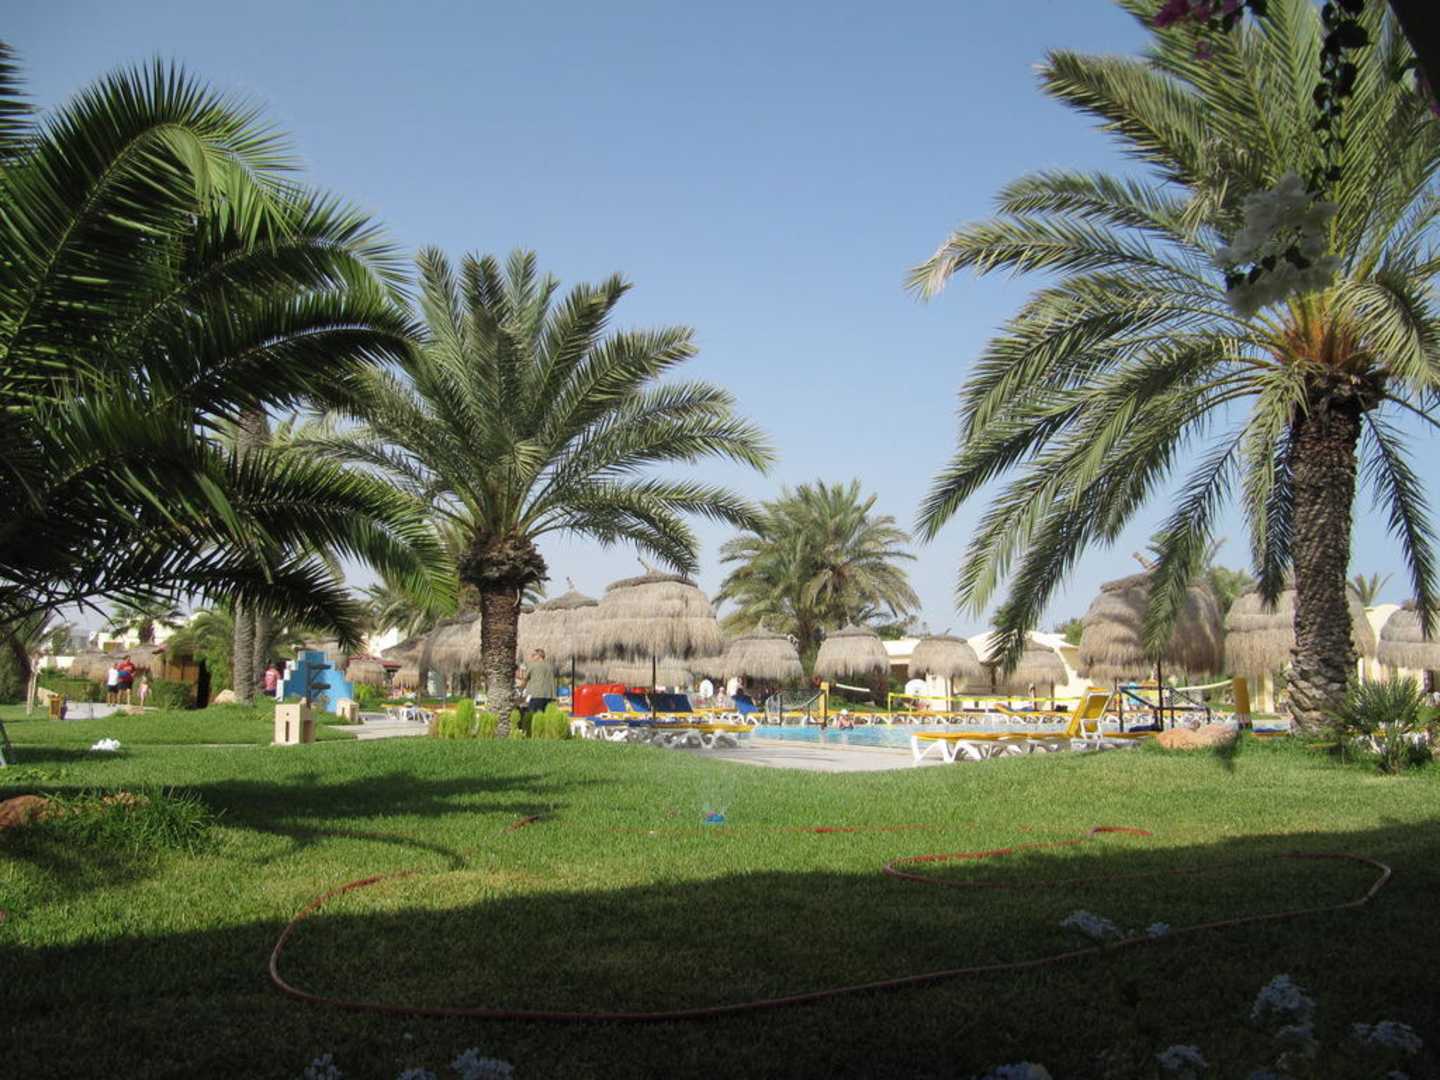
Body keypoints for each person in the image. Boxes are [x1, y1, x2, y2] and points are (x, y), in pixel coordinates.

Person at [523, 649, 557, 714]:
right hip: (548, 696)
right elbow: (552, 681)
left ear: (539, 656)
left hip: (535, 695)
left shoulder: (533, 665)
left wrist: (522, 688)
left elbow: (525, 678)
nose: (532, 657)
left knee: (533, 715)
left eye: (533, 655)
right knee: (545, 716)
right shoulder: (550, 667)